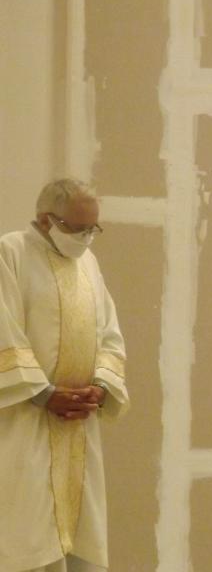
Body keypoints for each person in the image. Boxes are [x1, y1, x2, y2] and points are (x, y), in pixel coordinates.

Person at [0, 179, 128, 572]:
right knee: (28, 533)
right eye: (77, 228)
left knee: (80, 536)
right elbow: (4, 332)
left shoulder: (88, 263)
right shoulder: (11, 253)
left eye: (93, 229)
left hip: (78, 426)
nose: (86, 238)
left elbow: (109, 333)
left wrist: (100, 387)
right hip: (26, 420)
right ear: (46, 220)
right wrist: (43, 393)